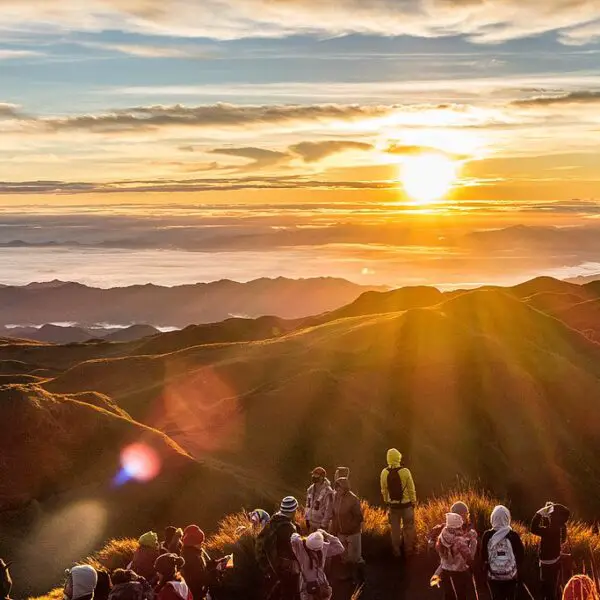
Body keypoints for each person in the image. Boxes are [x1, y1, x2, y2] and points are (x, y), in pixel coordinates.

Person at [256, 496, 300, 600]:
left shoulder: (273, 522)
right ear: (293, 511)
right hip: (284, 569)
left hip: (269, 567)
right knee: (288, 594)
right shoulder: (288, 528)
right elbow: (294, 551)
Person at [429, 502, 477, 586]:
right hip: (457, 564)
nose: (466, 516)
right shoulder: (446, 528)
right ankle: (437, 576)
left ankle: (436, 576)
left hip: (451, 562)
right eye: (464, 514)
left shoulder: (448, 527)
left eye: (466, 514)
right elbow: (470, 555)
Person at [481, 505, 525, 600]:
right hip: (510, 576)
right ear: (507, 518)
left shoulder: (487, 535)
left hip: (493, 576)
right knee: (510, 597)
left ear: (492, 518)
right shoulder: (513, 535)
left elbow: (483, 555)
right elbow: (521, 555)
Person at [380, 448, 417, 557]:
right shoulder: (405, 471)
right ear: (398, 457)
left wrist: (387, 501)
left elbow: (384, 490)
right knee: (408, 528)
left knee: (395, 530)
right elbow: (411, 488)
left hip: (393, 506)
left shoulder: (384, 472)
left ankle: (396, 552)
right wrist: (413, 501)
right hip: (406, 506)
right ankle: (409, 550)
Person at [531, 502, 571, 600]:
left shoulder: (548, 530)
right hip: (556, 559)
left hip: (546, 562)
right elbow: (563, 540)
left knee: (546, 587)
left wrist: (539, 514)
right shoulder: (560, 527)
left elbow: (533, 528)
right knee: (554, 586)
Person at [290, 530, 345, 600]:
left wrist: (299, 537)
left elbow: (340, 548)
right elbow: (339, 548)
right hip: (311, 586)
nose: (315, 552)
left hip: (317, 586)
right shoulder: (302, 548)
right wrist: (326, 535)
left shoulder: (300, 548)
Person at [436, 512, 476, 600]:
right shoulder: (459, 541)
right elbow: (469, 556)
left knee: (449, 596)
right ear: (457, 527)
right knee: (461, 596)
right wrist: (473, 541)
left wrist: (466, 536)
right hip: (459, 573)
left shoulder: (441, 536)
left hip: (445, 572)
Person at [331, 477, 364, 580]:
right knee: (344, 557)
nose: (337, 490)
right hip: (341, 533)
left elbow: (359, 517)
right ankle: (348, 575)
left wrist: (350, 528)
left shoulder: (353, 499)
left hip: (353, 534)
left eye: (339, 488)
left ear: (345, 488)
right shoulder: (335, 497)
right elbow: (335, 515)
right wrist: (334, 531)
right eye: (336, 488)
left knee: (354, 557)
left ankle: (358, 577)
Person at [181, 525, 211, 600]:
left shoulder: (193, 553)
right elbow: (198, 577)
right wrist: (211, 574)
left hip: (195, 592)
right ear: (192, 542)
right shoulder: (192, 557)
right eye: (200, 541)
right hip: (195, 594)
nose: (202, 543)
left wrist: (213, 564)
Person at [305, 468, 334, 533]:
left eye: (316, 475)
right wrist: (307, 518)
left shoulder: (328, 491)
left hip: (321, 525)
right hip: (311, 523)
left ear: (322, 477)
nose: (313, 476)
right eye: (313, 475)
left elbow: (329, 510)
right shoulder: (310, 489)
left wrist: (323, 525)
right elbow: (307, 504)